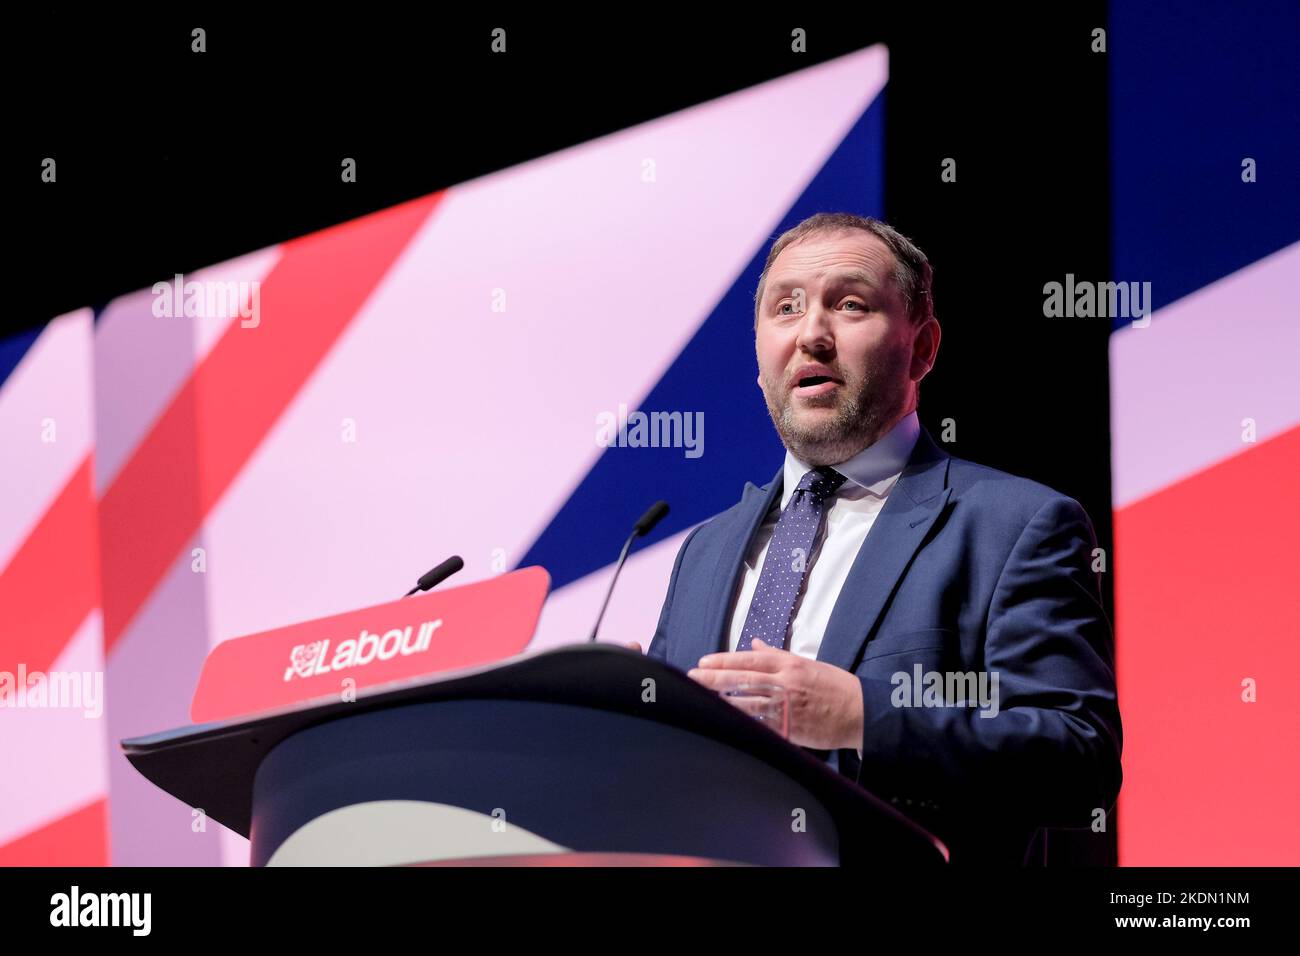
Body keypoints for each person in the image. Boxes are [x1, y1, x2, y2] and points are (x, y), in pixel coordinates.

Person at [632, 212, 1122, 865]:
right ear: (758, 363)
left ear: (922, 348)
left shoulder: (1013, 524)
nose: (811, 333)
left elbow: (1079, 761)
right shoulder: (704, 550)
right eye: (786, 308)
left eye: (851, 304)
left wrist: (861, 716)